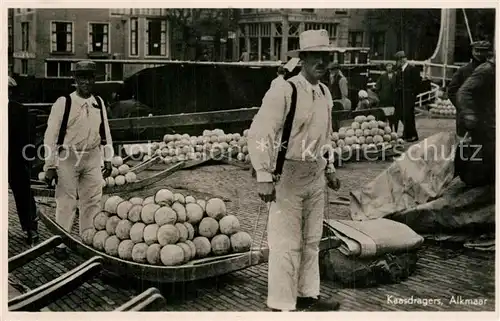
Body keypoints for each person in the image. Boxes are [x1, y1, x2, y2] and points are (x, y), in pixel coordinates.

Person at [247, 29, 341, 312]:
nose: (321, 63)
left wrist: (331, 167)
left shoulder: (325, 92)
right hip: (287, 174)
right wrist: (264, 175)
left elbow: (326, 135)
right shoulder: (285, 90)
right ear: (302, 58)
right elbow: (260, 132)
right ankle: (282, 303)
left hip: (315, 173)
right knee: (286, 241)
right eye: (315, 56)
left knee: (312, 239)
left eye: (325, 57)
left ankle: (308, 294)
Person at [43, 60, 114, 258]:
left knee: (92, 200)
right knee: (66, 201)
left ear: (95, 80)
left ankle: (87, 241)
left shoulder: (98, 102)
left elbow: (105, 131)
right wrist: (50, 165)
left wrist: (108, 158)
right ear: (75, 79)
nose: (86, 82)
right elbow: (51, 135)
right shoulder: (64, 102)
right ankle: (61, 244)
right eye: (82, 77)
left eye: (90, 77)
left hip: (92, 156)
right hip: (68, 156)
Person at [8, 76, 39, 245]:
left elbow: (28, 137)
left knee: (23, 192)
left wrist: (27, 159)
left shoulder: (19, 110)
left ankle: (30, 228)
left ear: (10, 92)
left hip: (15, 158)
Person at [456, 52, 495, 187]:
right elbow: (463, 92)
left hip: (490, 121)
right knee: (479, 159)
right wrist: (468, 114)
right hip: (483, 122)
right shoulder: (486, 70)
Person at [447, 41, 492, 138]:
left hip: (486, 116)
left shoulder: (492, 70)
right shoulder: (463, 71)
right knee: (465, 146)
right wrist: (463, 107)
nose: (479, 54)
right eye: (477, 51)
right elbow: (451, 91)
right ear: (472, 51)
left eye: (483, 51)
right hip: (467, 117)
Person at [394, 51, 421, 142]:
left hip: (409, 96)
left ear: (401, 60)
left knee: (409, 115)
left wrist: (413, 95)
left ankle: (413, 135)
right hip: (401, 96)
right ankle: (406, 133)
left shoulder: (412, 69)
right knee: (402, 115)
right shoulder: (400, 70)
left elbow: (417, 83)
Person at [375, 62, 397, 130]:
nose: (389, 67)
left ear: (392, 67)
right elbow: (377, 87)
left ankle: (393, 131)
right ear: (386, 67)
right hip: (384, 101)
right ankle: (384, 131)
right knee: (383, 117)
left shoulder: (396, 76)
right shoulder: (382, 76)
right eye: (387, 66)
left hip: (393, 100)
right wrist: (380, 96)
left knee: (393, 118)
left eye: (390, 66)